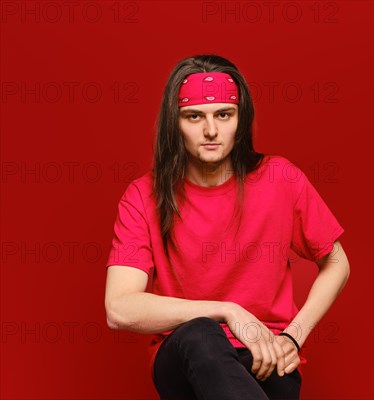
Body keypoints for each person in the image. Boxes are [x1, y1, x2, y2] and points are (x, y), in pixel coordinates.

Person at [104, 54, 350, 400]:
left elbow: (337, 263)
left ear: (241, 118)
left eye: (224, 115)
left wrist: (293, 336)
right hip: (186, 357)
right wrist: (227, 311)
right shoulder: (144, 195)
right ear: (175, 123)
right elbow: (119, 308)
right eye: (194, 117)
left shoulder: (281, 179)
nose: (210, 131)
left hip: (265, 358)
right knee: (201, 332)